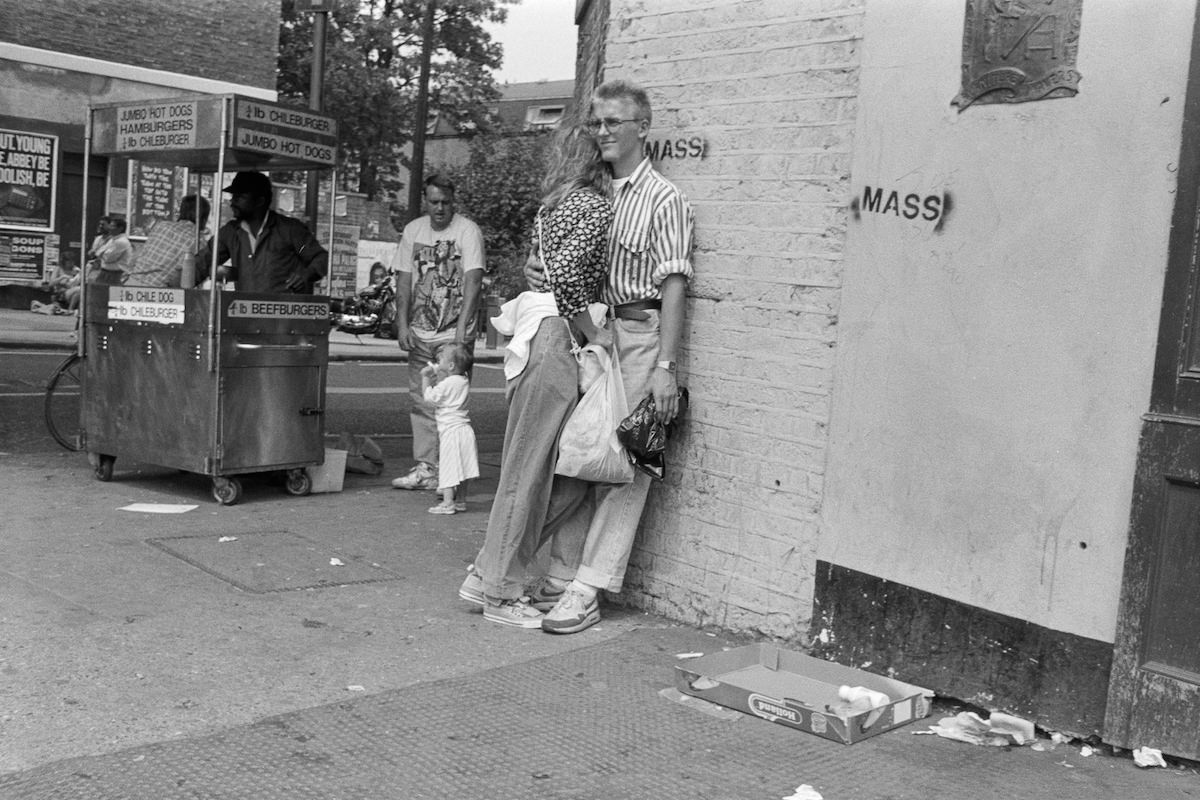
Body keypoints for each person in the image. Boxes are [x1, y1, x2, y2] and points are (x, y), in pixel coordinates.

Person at [532, 79, 696, 635]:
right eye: (596, 122)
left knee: (630, 463)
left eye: (614, 122)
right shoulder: (591, 193)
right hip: (593, 336)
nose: (602, 131)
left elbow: (674, 286)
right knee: (580, 455)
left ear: (641, 127)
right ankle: (560, 573)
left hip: (640, 333)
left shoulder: (664, 199)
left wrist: (666, 369)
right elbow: (566, 266)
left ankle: (588, 587)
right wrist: (543, 273)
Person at [458, 122, 614, 628]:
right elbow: (567, 282)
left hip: (536, 339)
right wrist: (595, 334)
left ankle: (490, 571)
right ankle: (501, 593)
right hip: (557, 341)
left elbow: (540, 268)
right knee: (531, 471)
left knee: (549, 472)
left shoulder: (552, 206)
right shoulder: (593, 205)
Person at [389, 174, 485, 492]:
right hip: (420, 331)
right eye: (434, 202)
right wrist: (402, 325)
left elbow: (472, 280)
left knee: (451, 405)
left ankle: (450, 471)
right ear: (426, 201)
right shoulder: (414, 231)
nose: (440, 208)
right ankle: (427, 467)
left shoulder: (467, 231)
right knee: (421, 401)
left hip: (452, 335)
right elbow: (404, 281)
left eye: (445, 202)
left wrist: (461, 332)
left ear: (453, 201)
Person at [195, 171, 328, 293]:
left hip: (284, 315)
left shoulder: (290, 230)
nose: (232, 202)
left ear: (260, 201)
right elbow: (203, 263)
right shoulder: (231, 232)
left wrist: (305, 274)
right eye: (233, 197)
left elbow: (321, 258)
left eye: (240, 197)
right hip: (246, 314)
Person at [421, 343, 480, 515]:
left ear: (451, 366)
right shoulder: (463, 380)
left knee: (448, 467)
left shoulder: (448, 383)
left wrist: (426, 378)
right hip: (465, 430)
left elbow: (430, 398)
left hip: (450, 432)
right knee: (464, 466)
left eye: (440, 359)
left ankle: (447, 503)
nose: (438, 362)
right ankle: (460, 500)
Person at [123, 194, 210, 288]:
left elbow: (139, 257)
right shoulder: (199, 242)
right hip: (161, 294)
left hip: (131, 285)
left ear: (181, 211)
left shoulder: (161, 226)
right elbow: (183, 278)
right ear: (204, 218)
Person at [90, 216, 132, 285]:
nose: (110, 228)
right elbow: (98, 253)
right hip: (105, 273)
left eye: (112, 226)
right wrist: (100, 253)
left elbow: (108, 258)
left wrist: (101, 254)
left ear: (120, 228)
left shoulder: (121, 242)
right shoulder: (112, 239)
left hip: (114, 275)